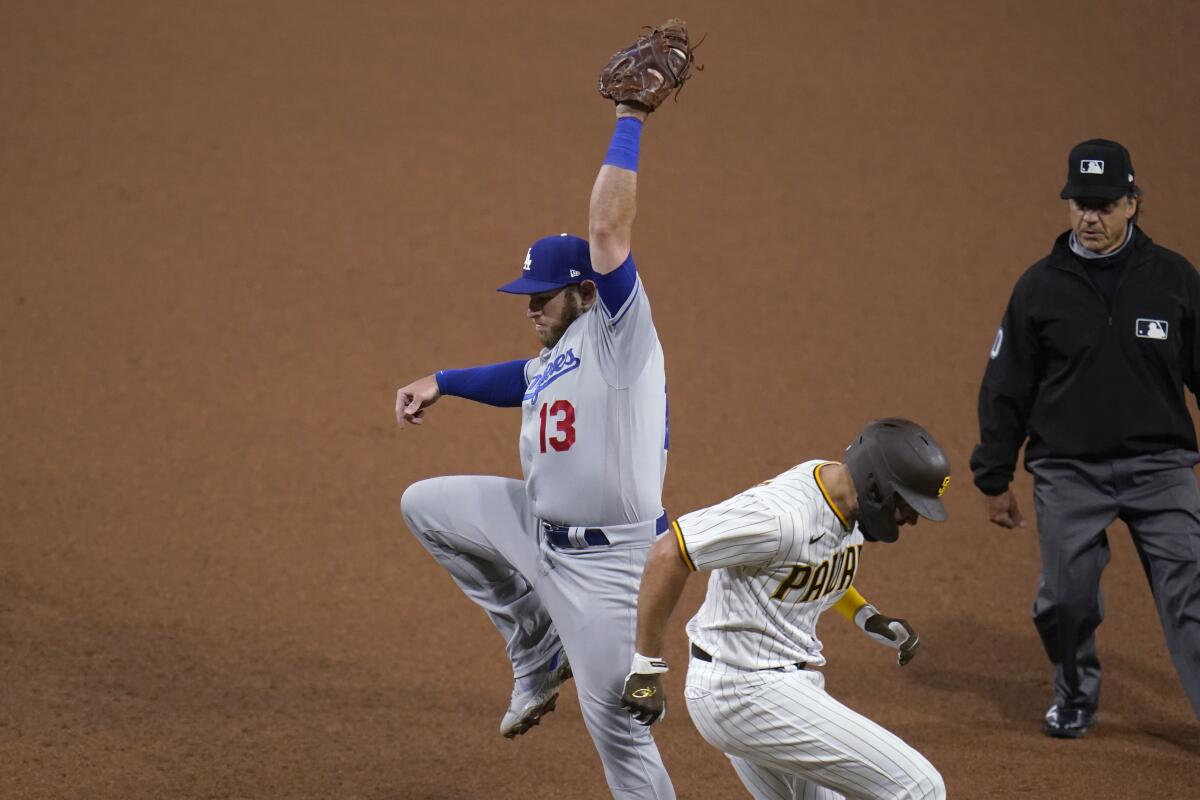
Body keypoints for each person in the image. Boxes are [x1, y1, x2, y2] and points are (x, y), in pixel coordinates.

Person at [396, 20, 698, 799]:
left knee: (623, 748)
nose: (530, 306)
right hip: (541, 535)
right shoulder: (557, 353)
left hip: (611, 570)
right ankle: (533, 647)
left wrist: (629, 121)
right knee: (426, 505)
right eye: (526, 296)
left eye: (542, 295)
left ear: (585, 292)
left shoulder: (620, 337)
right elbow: (524, 380)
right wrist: (444, 380)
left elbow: (607, 227)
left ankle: (560, 651)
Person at [971, 138, 1200, 738]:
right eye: (1079, 203)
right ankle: (1074, 695)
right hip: (1070, 473)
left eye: (1103, 204)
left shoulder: (1174, 279)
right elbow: (1005, 387)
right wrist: (993, 477)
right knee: (1065, 601)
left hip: (1162, 469)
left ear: (1133, 203)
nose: (1089, 217)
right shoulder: (1040, 288)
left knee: (1191, 594)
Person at [621, 418, 950, 800]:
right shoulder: (780, 517)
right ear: (877, 485)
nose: (909, 519)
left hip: (764, 687)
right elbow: (669, 553)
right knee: (921, 787)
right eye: (906, 505)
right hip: (744, 690)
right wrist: (646, 666)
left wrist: (866, 616)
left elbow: (811, 564)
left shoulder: (845, 498)